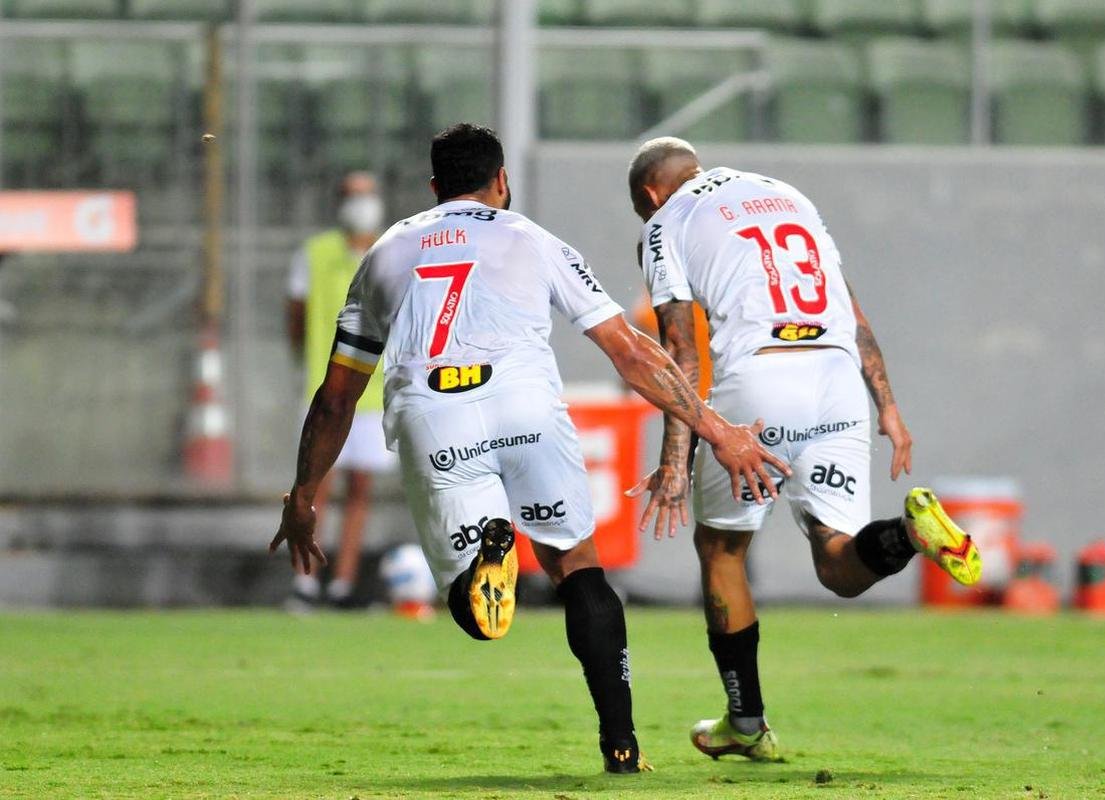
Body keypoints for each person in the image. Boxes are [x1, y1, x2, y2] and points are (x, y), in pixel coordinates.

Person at [270, 124, 788, 773]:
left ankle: (485, 561)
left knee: (477, 610)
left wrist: (303, 496)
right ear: (502, 182)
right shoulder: (534, 239)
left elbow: (337, 398)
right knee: (579, 569)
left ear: (435, 188)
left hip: (437, 415)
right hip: (527, 409)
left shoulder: (387, 252)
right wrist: (717, 430)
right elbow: (631, 352)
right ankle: (621, 746)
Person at [625, 137, 982, 762]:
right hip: (837, 378)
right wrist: (889, 408)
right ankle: (907, 534)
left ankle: (747, 722)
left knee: (721, 548)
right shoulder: (785, 194)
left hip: (760, 380)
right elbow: (854, 311)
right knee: (837, 564)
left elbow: (681, 351)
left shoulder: (664, 224)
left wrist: (674, 461)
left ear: (650, 194)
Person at [284, 172, 394, 610]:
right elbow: (295, 317)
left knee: (360, 491)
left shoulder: (391, 250)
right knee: (312, 487)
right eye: (353, 195)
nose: (361, 204)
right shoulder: (313, 254)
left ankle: (344, 583)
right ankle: (305, 582)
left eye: (368, 195)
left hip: (371, 394)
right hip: (324, 390)